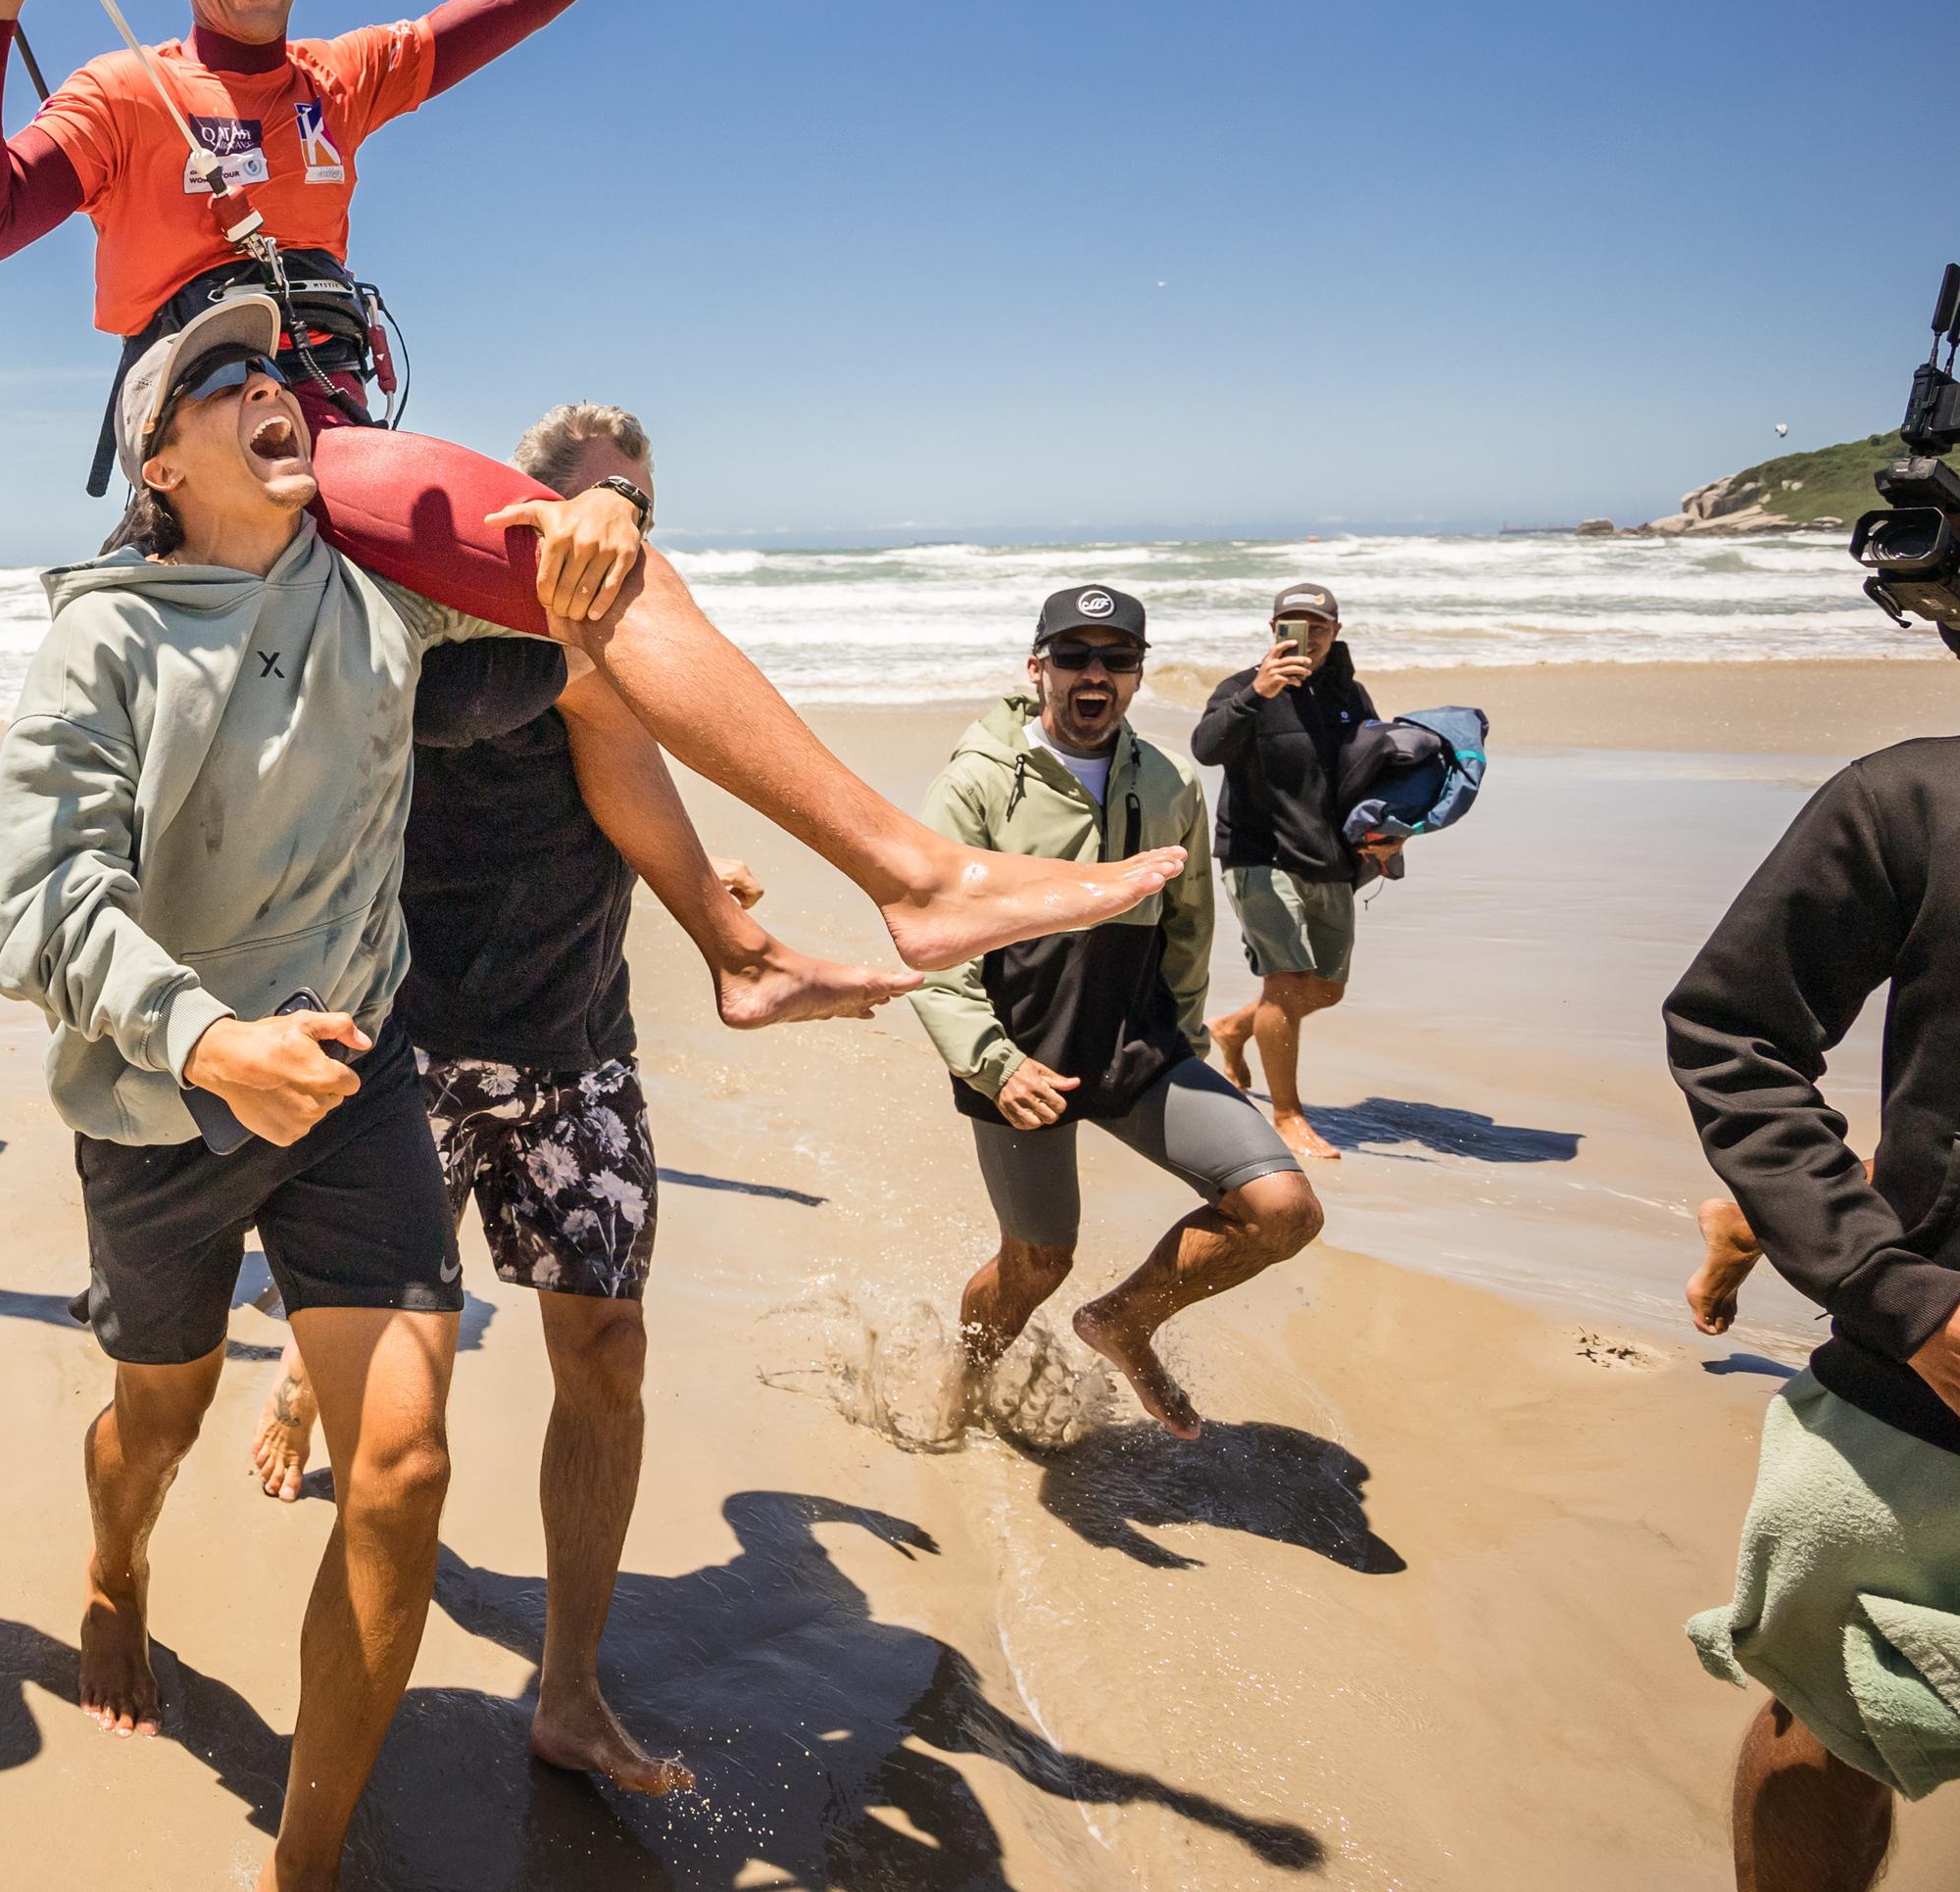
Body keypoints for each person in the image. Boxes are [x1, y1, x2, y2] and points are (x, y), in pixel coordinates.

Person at [0, 0, 1177, 977]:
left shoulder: (336, 81)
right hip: (233, 433)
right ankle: (917, 875)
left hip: (336, 430)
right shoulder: (121, 92)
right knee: (611, 570)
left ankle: (740, 956)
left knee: (592, 644)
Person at [0, 295, 669, 1892]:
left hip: (361, 1086)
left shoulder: (377, 612)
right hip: (163, 1112)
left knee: (406, 1467)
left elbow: (572, 633)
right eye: (227, 381)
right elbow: (40, 911)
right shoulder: (105, 638)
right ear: (159, 457)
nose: (277, 396)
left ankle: (304, 1862)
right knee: (159, 1417)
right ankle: (116, 1560)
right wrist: (209, 1039)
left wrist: (603, 513)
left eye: (286, 375)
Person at [242, 402, 918, 1799]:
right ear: (518, 515)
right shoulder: (444, 642)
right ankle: (299, 1391)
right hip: (410, 1044)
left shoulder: (636, 658)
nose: (624, 527)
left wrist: (705, 890)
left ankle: (570, 1692)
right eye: (599, 500)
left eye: (641, 506)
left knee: (605, 1356)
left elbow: (638, 788)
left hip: (574, 1045)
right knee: (380, 1379)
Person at [1669, 512, 1960, 1891]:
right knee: (1831, 1721)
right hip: (1949, 1372)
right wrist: (1895, 1289)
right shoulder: (1913, 802)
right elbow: (1732, 1033)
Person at [912, 585, 1321, 1440]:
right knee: (1037, 1262)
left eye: (1116, 659)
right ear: (1038, 667)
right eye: (1073, 656)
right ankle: (967, 1379)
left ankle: (1125, 1321)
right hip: (1020, 1059)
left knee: (1283, 1208)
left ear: (1138, 674)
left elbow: (1189, 922)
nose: (1094, 674)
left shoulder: (1170, 782)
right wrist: (993, 1063)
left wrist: (1178, 1031)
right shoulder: (976, 783)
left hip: (1139, 1049)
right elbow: (933, 947)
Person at [1194, 580, 1388, 1165]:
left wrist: (1388, 834)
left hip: (1329, 857)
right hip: (1258, 854)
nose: (1306, 636)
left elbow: (1374, 771)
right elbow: (1206, 747)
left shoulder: (1349, 696)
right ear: (1273, 630)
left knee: (1325, 989)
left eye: (1318, 626)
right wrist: (1256, 692)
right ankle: (1287, 1116)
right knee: (1287, 981)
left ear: (1335, 631)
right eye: (1292, 625)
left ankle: (1231, 1028)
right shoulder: (1242, 688)